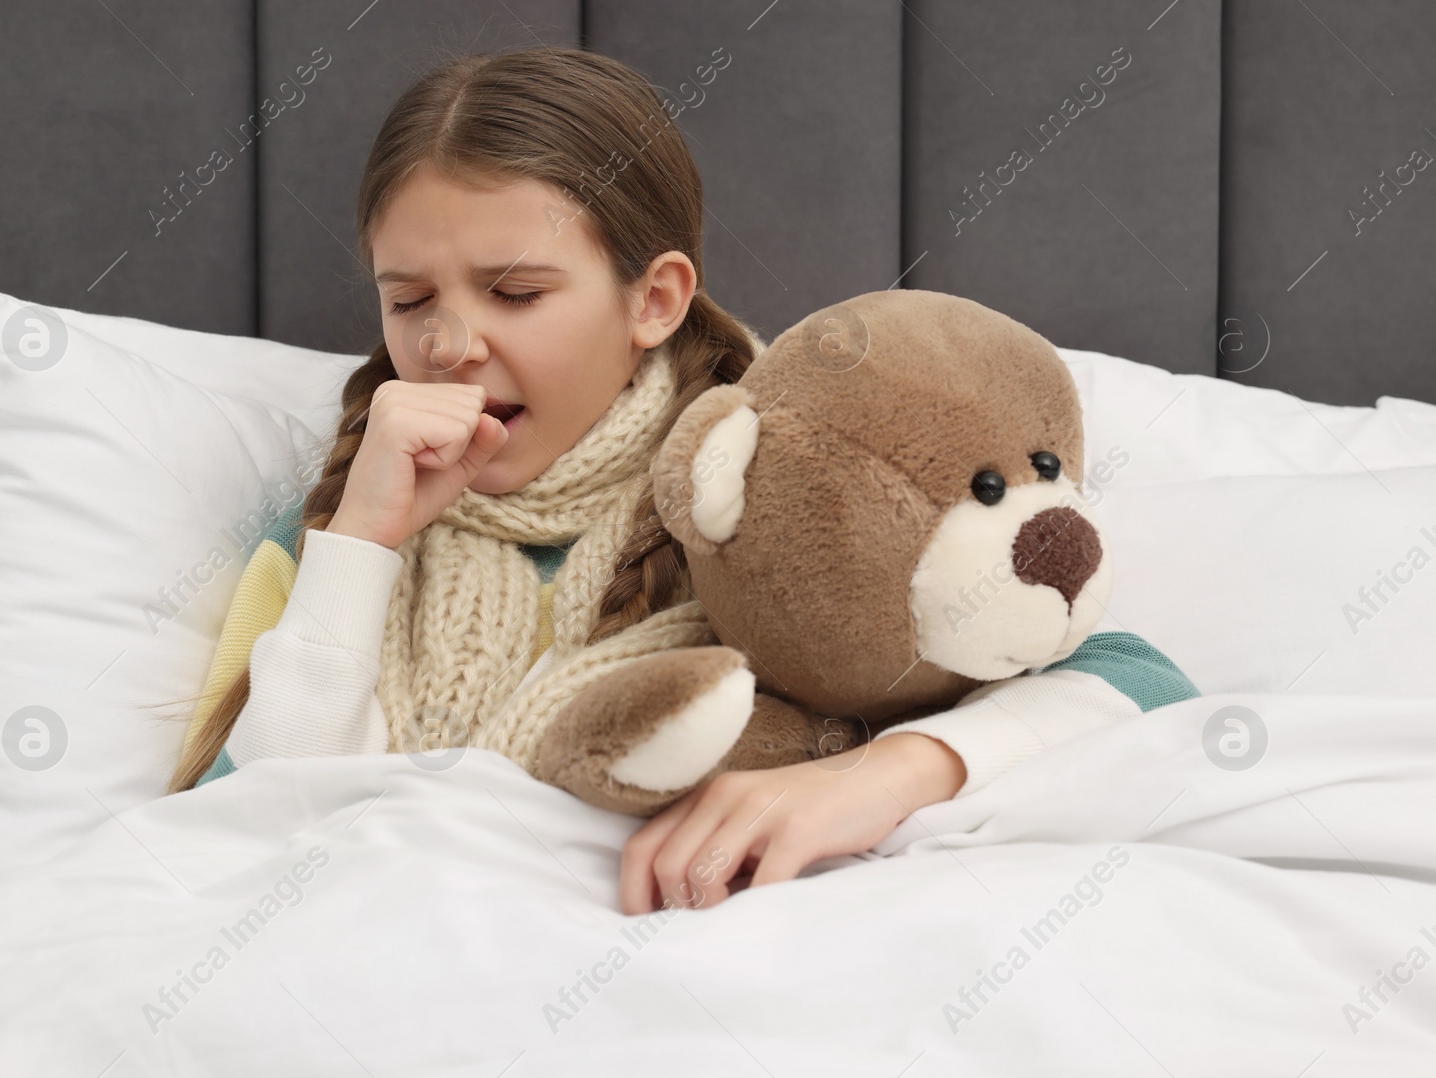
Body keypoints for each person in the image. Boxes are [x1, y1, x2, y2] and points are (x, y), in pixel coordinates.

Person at [166, 45, 1198, 916]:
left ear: (653, 299)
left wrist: (872, 774)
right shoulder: (338, 520)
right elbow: (243, 819)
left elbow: (1136, 683)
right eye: (408, 300)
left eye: (515, 291)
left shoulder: (774, 471)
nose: (449, 345)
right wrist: (360, 548)